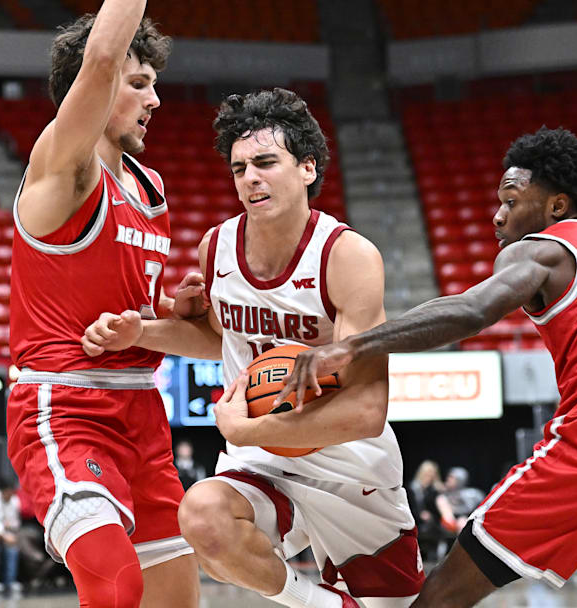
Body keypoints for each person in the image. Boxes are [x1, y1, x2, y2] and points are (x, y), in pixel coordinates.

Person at [278, 127, 577, 607]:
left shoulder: (543, 251)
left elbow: (471, 311)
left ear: (556, 206)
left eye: (511, 202)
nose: (497, 217)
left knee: (444, 596)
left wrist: (354, 346)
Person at [81, 88, 423, 607]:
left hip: (349, 468)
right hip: (262, 464)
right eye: (239, 168)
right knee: (202, 516)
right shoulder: (216, 247)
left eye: (265, 162)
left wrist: (250, 427)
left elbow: (369, 410)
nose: (250, 179)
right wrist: (141, 334)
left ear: (308, 168)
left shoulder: (347, 255)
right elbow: (218, 338)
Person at [4, 2, 200, 606]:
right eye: (140, 85)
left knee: (175, 598)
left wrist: (176, 309)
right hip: (66, 406)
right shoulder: (66, 168)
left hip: (143, 413)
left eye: (155, 85)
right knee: (117, 584)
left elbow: (133, 302)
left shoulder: (150, 186)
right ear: (97, 89)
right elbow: (102, 56)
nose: (155, 100)